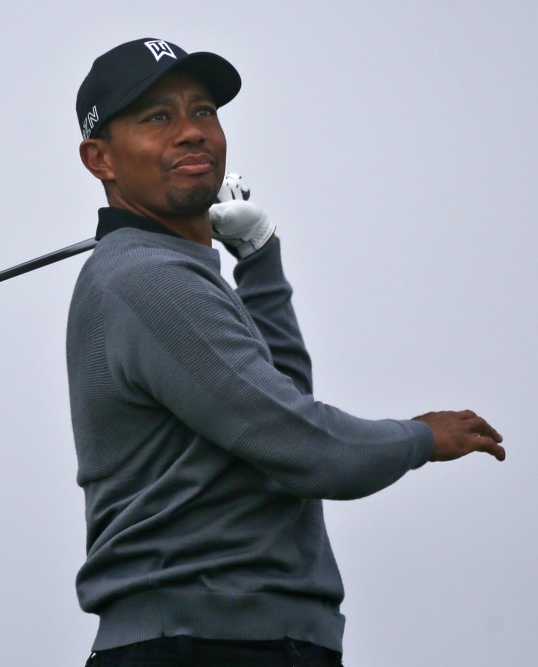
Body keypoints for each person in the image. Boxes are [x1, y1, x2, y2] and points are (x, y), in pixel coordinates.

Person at [67, 38, 505, 667]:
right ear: (100, 158)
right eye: (157, 117)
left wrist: (259, 257)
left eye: (205, 111)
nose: (192, 132)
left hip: (241, 638)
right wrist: (419, 437)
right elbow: (307, 449)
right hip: (199, 642)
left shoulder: (174, 272)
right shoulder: (148, 279)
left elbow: (280, 405)